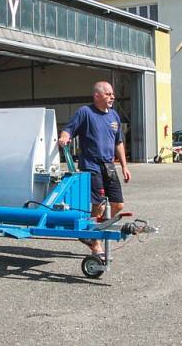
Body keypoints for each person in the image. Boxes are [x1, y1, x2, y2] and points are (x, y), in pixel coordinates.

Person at [58, 81, 131, 256]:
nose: (112, 97)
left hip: (109, 165)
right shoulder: (85, 112)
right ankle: (95, 242)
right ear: (97, 95)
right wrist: (64, 138)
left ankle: (95, 230)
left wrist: (124, 166)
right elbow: (68, 130)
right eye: (108, 94)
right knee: (98, 204)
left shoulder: (114, 116)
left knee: (118, 204)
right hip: (91, 165)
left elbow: (118, 143)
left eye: (113, 94)